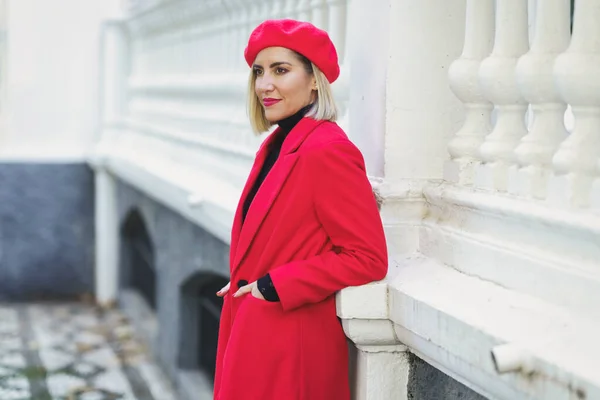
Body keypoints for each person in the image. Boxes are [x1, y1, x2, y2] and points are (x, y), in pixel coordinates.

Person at [213, 19, 388, 400]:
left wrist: (273, 285)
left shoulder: (327, 150)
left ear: (314, 79)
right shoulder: (276, 146)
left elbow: (367, 257)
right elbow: (277, 233)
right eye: (259, 72)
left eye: (281, 70)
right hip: (253, 334)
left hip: (291, 346)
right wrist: (246, 277)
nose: (264, 85)